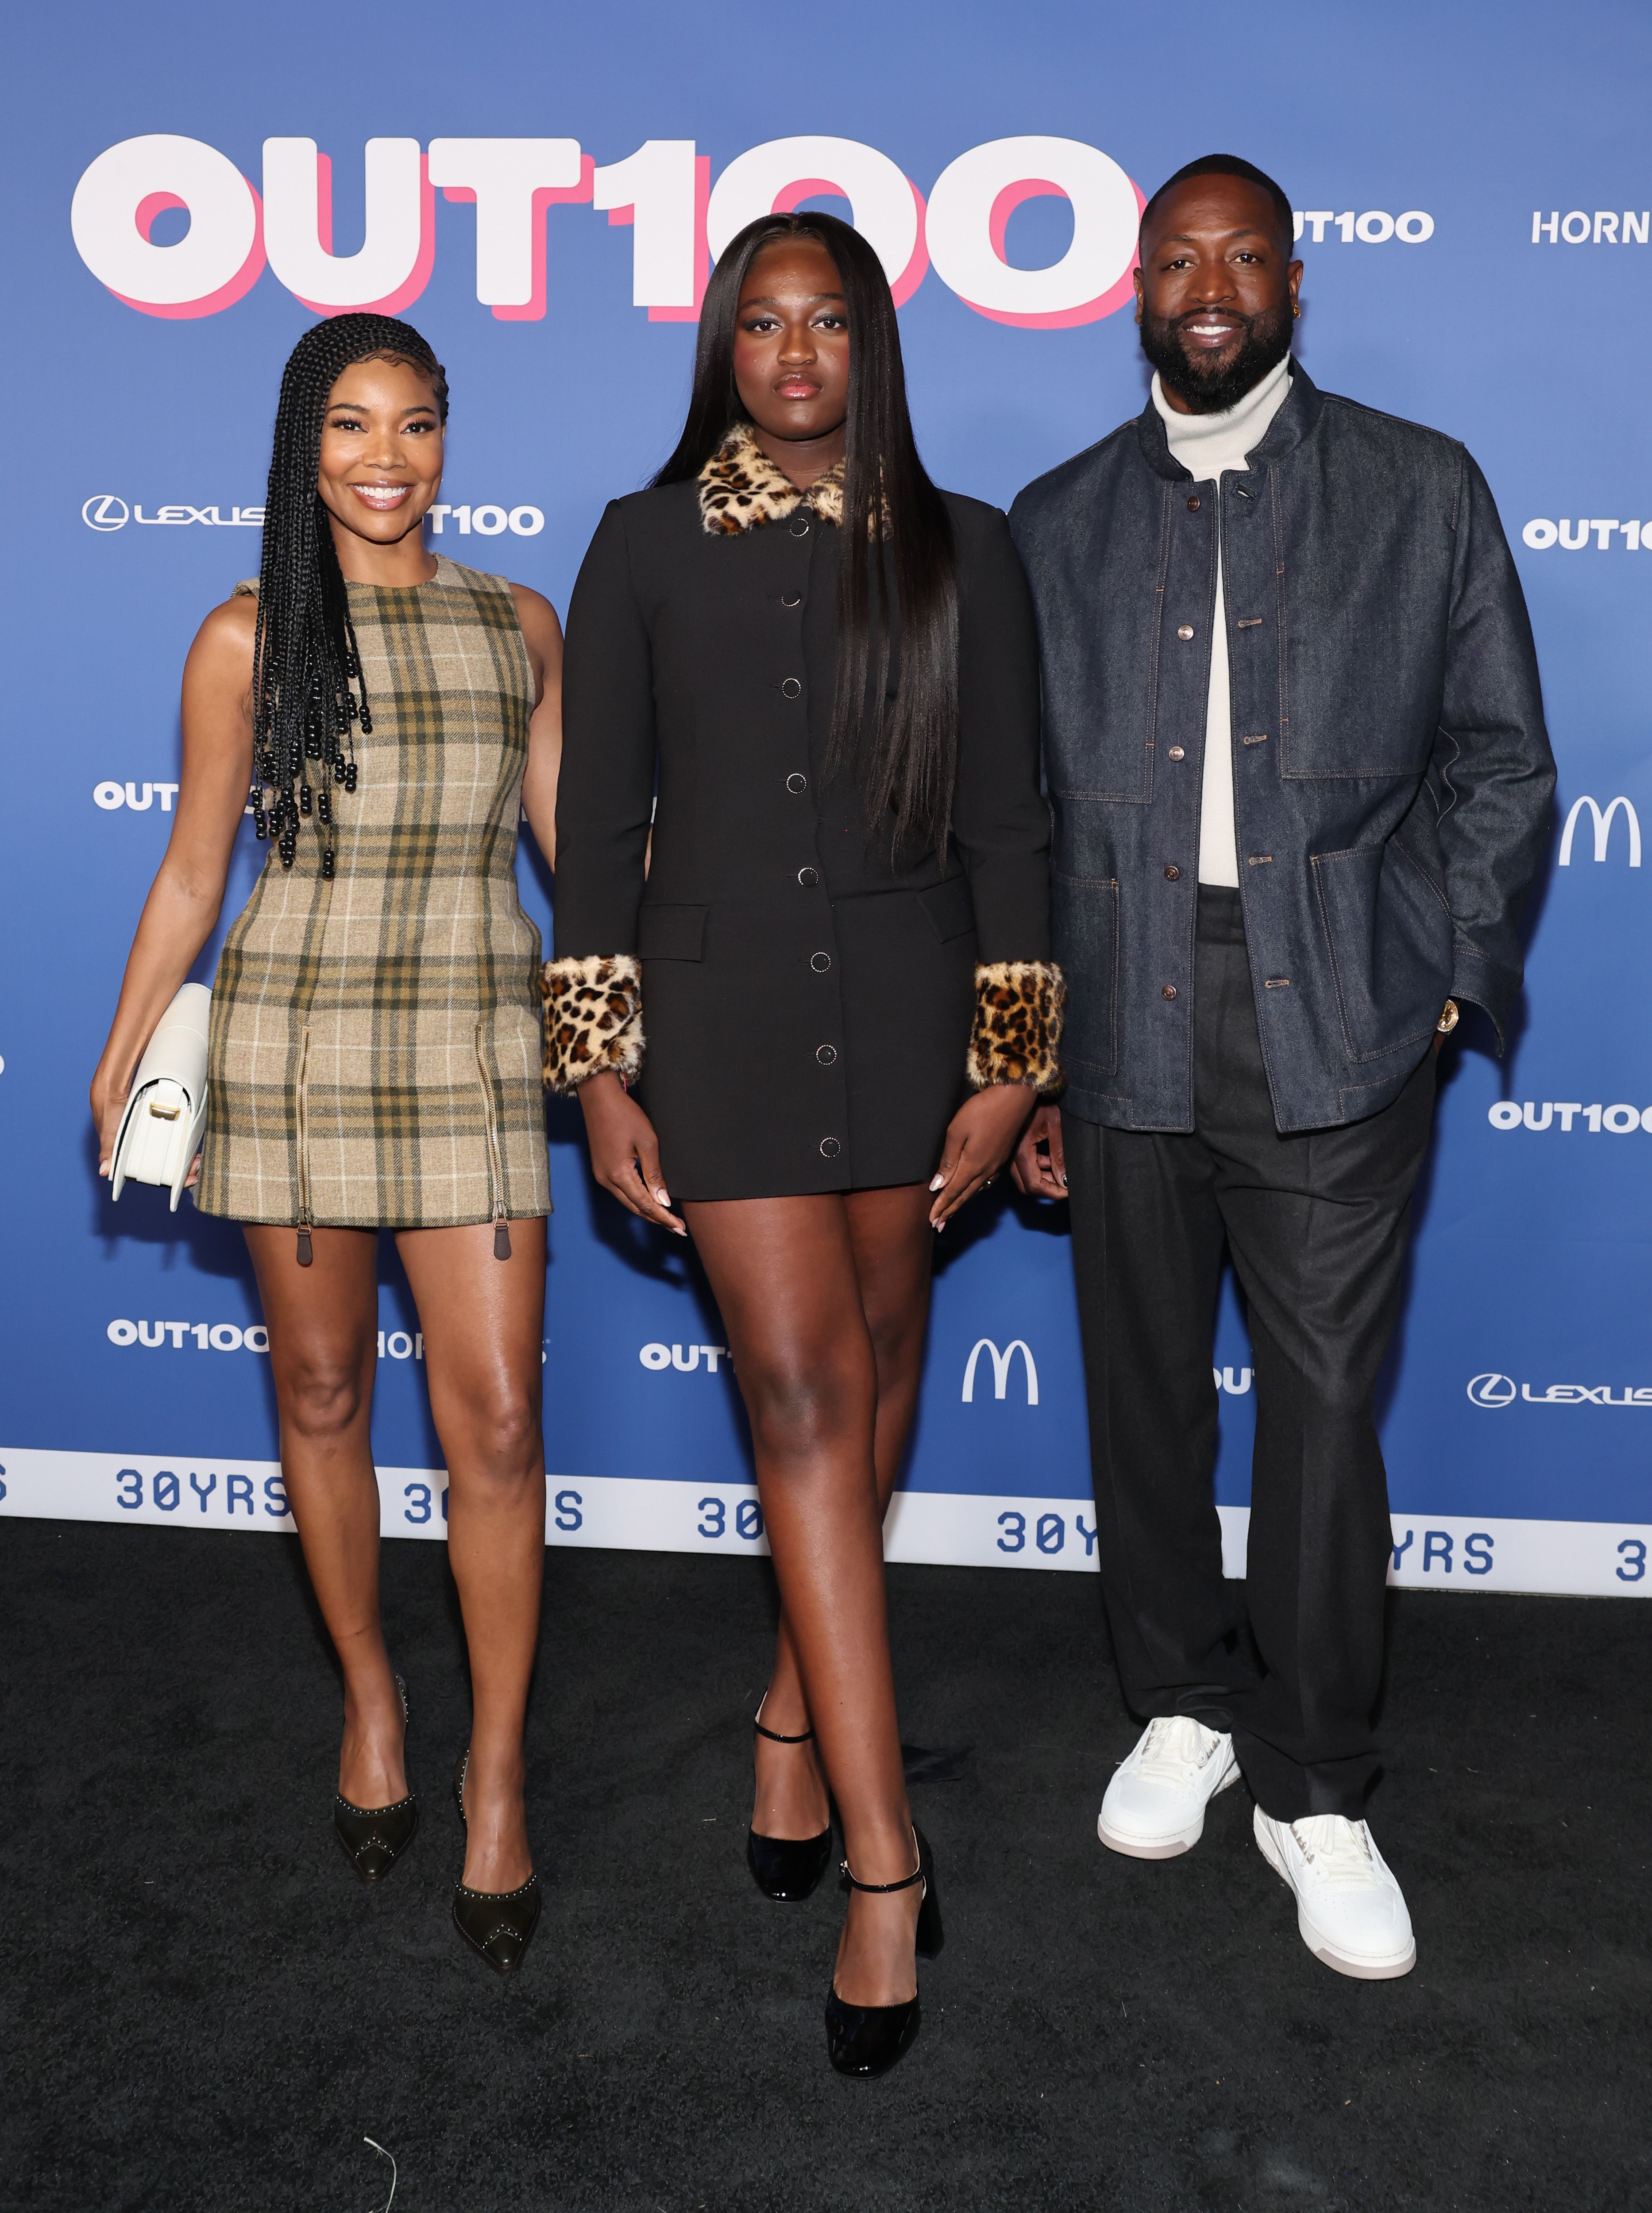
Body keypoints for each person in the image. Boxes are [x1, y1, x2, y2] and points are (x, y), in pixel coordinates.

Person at [1008, 156, 1553, 1979]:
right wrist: (1023, 1053)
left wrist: (1451, 977)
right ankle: (1182, 1697)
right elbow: (1008, 818)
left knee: (1321, 1410)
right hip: (1119, 1000)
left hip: (1344, 1011)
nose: (1212, 284)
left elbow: (1503, 760)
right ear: (1139, 285)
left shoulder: (1422, 487)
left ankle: (1317, 1783)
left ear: (1298, 284)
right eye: (1181, 257)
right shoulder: (1057, 520)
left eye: (1245, 256)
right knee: (1142, 1382)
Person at [549, 211, 1059, 2074]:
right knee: (803, 1399)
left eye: (823, 320)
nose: (790, 350)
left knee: (886, 1359)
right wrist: (604, 1072)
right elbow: (597, 833)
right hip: (727, 1033)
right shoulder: (639, 542)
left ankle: (790, 1706)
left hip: (921, 1012)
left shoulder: (968, 550)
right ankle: (883, 1858)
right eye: (758, 321)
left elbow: (1013, 822)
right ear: (722, 347)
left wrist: (1012, 1061)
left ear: (869, 347)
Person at [90, 314, 565, 1978]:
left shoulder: (520, 623)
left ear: (449, 439)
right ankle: (372, 1697)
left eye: (416, 426)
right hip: (294, 1038)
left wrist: (639, 1044)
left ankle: (495, 1770)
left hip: (476, 1039)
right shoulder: (247, 634)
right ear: (308, 448)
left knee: (497, 1421)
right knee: (319, 1397)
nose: (387, 459)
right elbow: (190, 874)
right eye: (353, 427)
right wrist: (129, 1039)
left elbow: (578, 864)